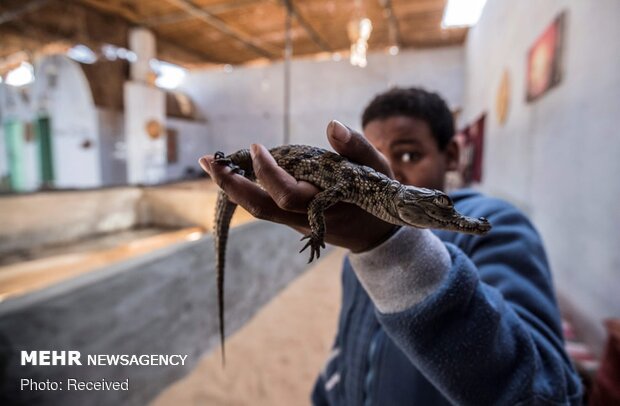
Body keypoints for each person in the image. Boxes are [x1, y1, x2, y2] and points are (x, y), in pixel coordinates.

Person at [199, 87, 583, 405]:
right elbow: (348, 349)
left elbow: (546, 391)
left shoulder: (503, 225)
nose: (390, 171)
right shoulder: (356, 240)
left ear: (451, 155)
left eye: (408, 154)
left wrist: (387, 245)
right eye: (375, 155)